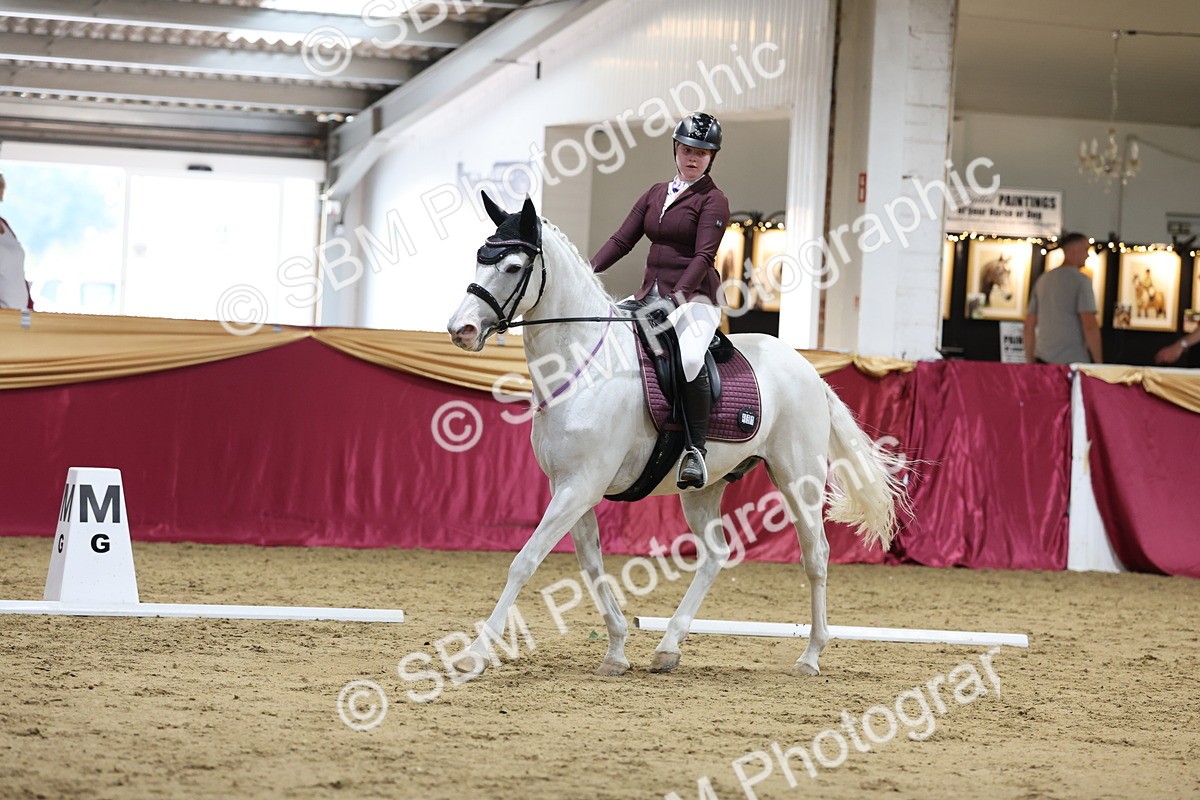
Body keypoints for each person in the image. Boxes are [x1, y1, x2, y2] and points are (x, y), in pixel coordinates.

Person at [591, 112, 730, 489]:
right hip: (647, 295)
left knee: (687, 358)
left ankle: (696, 450)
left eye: (701, 153)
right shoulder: (655, 194)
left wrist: (674, 300)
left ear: (711, 157)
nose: (692, 158)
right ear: (675, 149)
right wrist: (588, 271)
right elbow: (622, 240)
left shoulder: (713, 200)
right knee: (601, 335)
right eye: (686, 150)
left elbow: (703, 258)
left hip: (695, 299)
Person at [1024, 232, 1102, 364]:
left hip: (1043, 359)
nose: (1088, 255)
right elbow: (1089, 325)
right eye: (1086, 249)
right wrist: (1098, 363)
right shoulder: (1081, 281)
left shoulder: (1043, 279)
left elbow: (1029, 325)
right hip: (1072, 361)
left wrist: (1030, 360)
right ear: (1073, 250)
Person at [0, 172, 30, 310]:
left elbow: (17, 272)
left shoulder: (4, 224)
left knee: (27, 329)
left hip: (22, 313)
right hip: (3, 314)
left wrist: (29, 307)